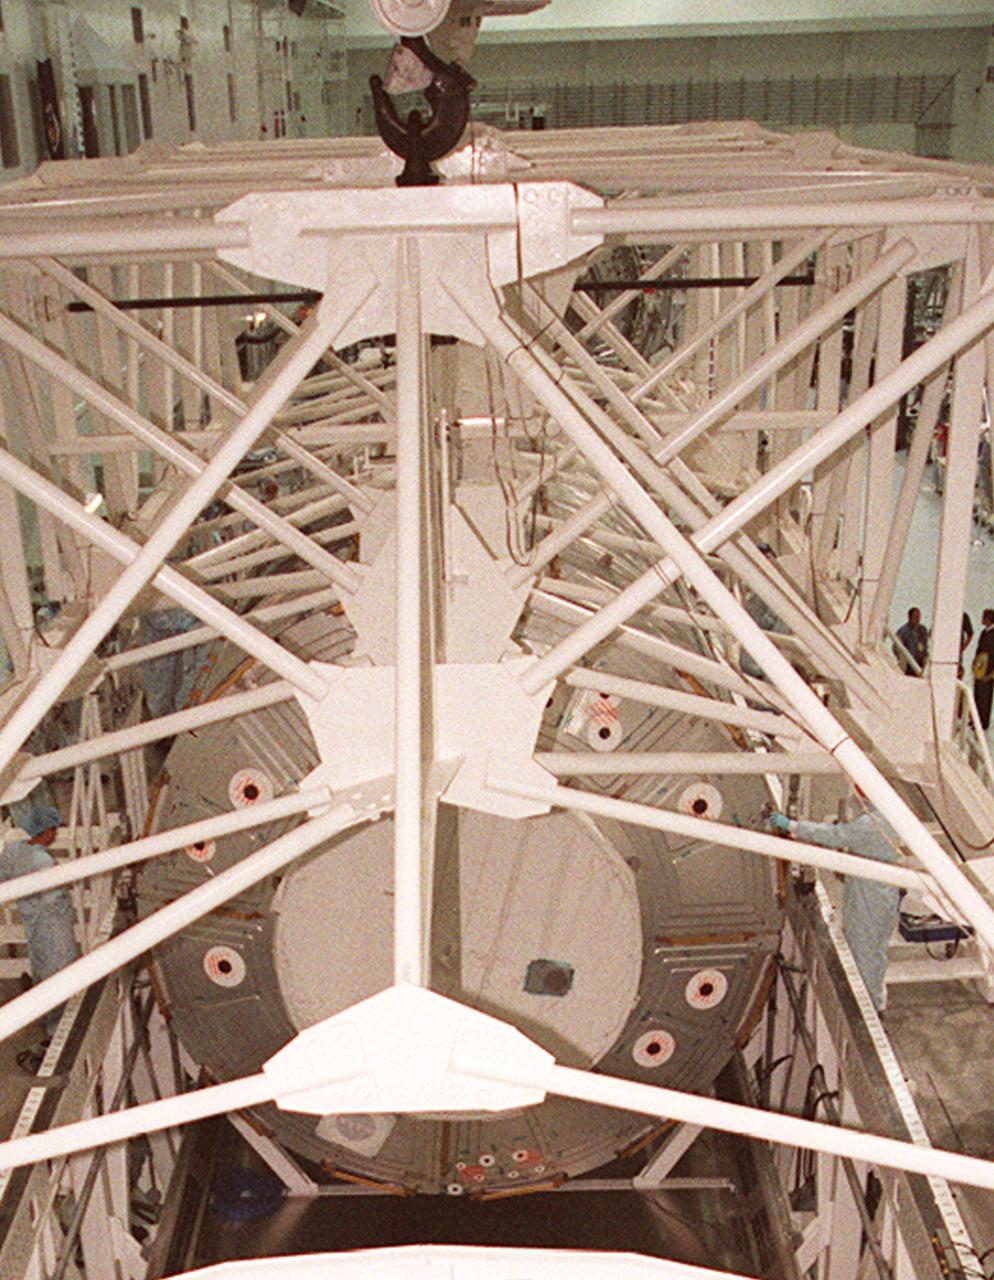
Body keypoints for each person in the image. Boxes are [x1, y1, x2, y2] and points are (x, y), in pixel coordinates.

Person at [768, 809, 902, 1012]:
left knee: (863, 948)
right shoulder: (890, 817)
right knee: (875, 948)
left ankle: (866, 1007)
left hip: (870, 890)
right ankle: (875, 1000)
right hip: (882, 888)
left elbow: (836, 835)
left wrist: (794, 826)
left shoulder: (871, 823)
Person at [1, 793, 80, 1072]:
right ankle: (58, 1031)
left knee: (42, 968)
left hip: (32, 924)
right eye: (54, 830)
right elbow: (54, 899)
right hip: (52, 924)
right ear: (46, 831)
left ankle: (48, 1020)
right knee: (60, 971)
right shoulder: (43, 863)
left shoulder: (13, 852)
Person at [973, 608, 994, 730]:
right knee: (978, 695)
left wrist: (991, 674)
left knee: (985, 697)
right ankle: (976, 719)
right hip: (980, 669)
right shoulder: (983, 633)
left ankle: (983, 722)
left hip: (988, 671)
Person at [894, 606, 928, 675]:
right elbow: (895, 647)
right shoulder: (903, 631)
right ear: (909, 617)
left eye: (918, 617)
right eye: (915, 617)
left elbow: (926, 644)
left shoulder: (923, 630)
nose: (917, 619)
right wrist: (902, 659)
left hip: (921, 664)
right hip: (908, 666)